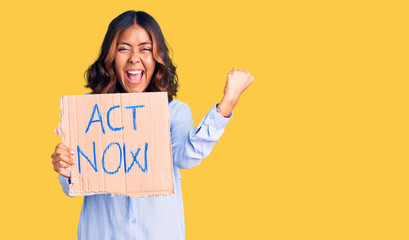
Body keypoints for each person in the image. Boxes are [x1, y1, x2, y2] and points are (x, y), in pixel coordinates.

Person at [51, 10, 254, 240]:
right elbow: (72, 188)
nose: (134, 58)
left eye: (145, 49)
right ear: (111, 56)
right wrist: (66, 168)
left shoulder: (175, 112)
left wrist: (226, 104)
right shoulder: (88, 113)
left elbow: (185, 157)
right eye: (123, 48)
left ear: (157, 57)